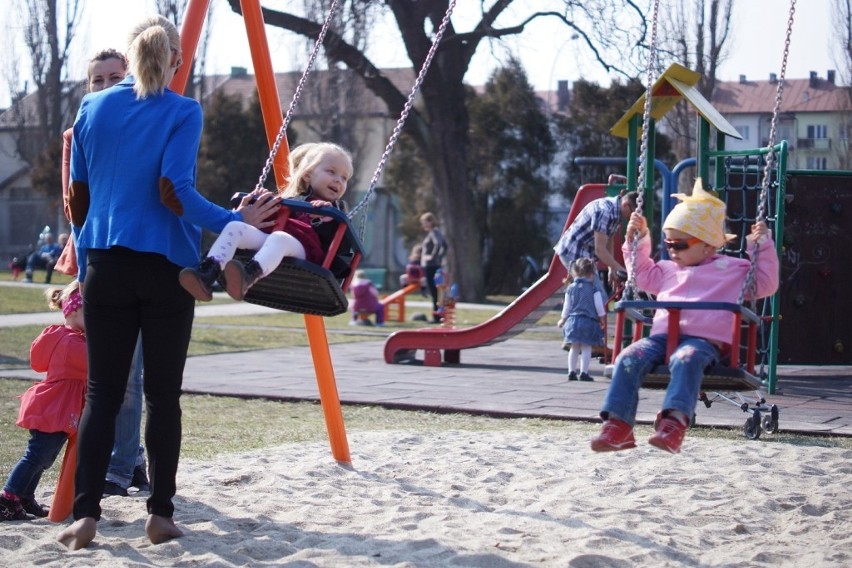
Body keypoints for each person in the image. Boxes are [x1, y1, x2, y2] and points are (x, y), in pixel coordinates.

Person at [58, 15, 278, 550]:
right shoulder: (183, 110)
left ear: (130, 59)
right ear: (177, 62)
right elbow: (173, 192)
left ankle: (85, 516)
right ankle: (160, 513)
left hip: (106, 264)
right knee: (162, 396)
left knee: (102, 394)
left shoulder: (92, 107)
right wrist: (236, 224)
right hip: (169, 271)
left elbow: (78, 205)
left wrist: (86, 277)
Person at [590, 180, 779, 455]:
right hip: (662, 340)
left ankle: (674, 424)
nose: (672, 251)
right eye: (668, 244)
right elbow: (640, 276)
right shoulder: (666, 269)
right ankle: (619, 425)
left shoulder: (734, 269)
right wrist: (638, 241)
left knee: (685, 359)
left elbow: (766, 284)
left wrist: (761, 247)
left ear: (708, 244)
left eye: (679, 244)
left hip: (704, 343)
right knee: (627, 358)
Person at [54, 48, 149, 498]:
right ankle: (132, 462)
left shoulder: (147, 123)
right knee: (106, 371)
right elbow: (76, 203)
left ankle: (124, 464)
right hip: (97, 256)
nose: (107, 85)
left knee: (128, 374)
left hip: (139, 257)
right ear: (88, 88)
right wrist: (83, 268)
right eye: (98, 80)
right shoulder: (81, 132)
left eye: (117, 77)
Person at [179, 142, 353, 302]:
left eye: (344, 178)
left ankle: (247, 277)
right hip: (275, 242)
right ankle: (206, 274)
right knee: (235, 227)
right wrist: (261, 199)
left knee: (280, 237)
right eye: (331, 172)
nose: (338, 180)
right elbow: (271, 219)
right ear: (307, 175)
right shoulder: (293, 200)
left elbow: (341, 247)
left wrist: (329, 216)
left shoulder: (336, 210)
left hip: (306, 254)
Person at [0, 282, 86, 522]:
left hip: (55, 410)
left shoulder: (67, 337)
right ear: (75, 312)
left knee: (44, 458)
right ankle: (7, 498)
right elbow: (94, 367)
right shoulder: (72, 344)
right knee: (37, 457)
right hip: (52, 410)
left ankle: (24, 496)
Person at [553, 190, 638, 299]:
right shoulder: (605, 211)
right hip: (573, 251)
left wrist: (612, 269)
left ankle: (573, 313)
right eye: (631, 214)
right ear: (626, 205)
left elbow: (609, 239)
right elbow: (600, 250)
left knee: (595, 298)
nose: (630, 218)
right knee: (598, 298)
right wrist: (622, 270)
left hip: (586, 255)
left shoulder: (617, 213)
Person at [557, 258, 606, 382]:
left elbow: (567, 306)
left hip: (573, 322)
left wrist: (563, 319)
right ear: (591, 274)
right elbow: (599, 306)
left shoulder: (570, 288)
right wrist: (601, 319)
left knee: (574, 348)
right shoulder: (594, 289)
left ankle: (571, 372)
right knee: (586, 347)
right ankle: (584, 373)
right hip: (588, 322)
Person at [419, 212, 447, 323]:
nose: (423, 225)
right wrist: (439, 257)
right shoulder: (436, 232)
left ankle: (437, 316)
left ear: (430, 222)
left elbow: (439, 244)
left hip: (431, 266)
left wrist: (432, 257)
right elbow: (445, 246)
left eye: (424, 223)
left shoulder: (434, 232)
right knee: (436, 292)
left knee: (434, 292)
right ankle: (438, 315)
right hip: (433, 265)